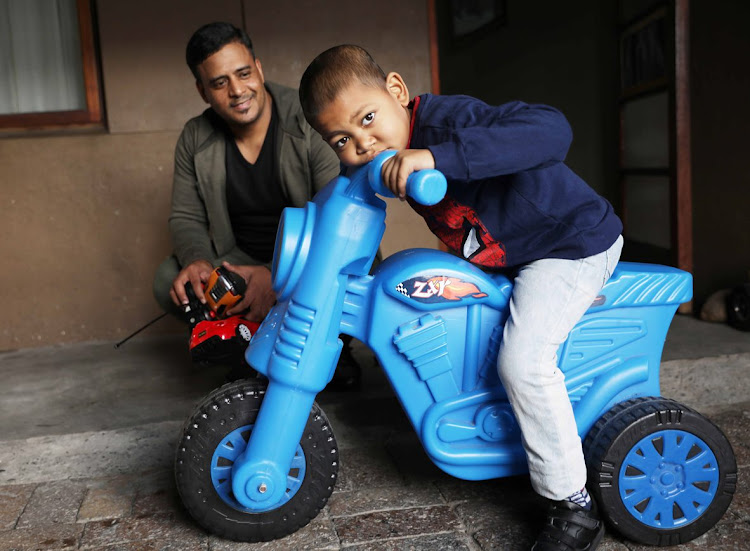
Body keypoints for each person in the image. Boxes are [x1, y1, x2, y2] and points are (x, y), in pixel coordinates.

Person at [298, 44, 623, 551]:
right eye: (342, 138)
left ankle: (573, 506)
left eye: (368, 118)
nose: (364, 143)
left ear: (398, 93)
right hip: (506, 255)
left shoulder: (451, 125)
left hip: (567, 245)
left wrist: (436, 157)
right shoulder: (374, 158)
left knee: (523, 362)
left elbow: (552, 129)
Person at [152, 23, 360, 388]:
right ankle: (245, 349)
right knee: (172, 281)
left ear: (259, 69)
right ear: (202, 91)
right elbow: (185, 217)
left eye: (244, 74)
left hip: (308, 255)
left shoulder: (308, 116)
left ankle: (333, 350)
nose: (237, 91)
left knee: (356, 266)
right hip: (234, 259)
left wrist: (276, 279)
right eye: (219, 83)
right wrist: (198, 261)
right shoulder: (194, 137)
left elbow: (339, 213)